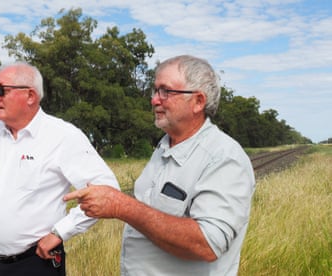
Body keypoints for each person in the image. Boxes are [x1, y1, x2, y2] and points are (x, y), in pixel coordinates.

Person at [64, 55, 256, 275]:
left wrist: (121, 206)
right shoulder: (165, 146)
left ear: (198, 101)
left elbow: (207, 244)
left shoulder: (224, 158)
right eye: (155, 91)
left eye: (166, 91)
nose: (155, 100)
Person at [0, 62, 119, 276]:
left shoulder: (62, 136)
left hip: (35, 262)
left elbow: (106, 190)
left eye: (1, 90)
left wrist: (61, 232)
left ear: (30, 96)